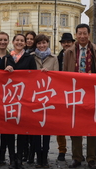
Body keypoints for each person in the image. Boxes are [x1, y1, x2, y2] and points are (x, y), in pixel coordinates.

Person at [63, 24, 96, 169]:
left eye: (84, 33)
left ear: (89, 34)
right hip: (74, 92)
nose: (82, 36)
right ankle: (76, 157)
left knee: (91, 126)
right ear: (76, 35)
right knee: (76, 126)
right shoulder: (69, 52)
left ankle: (91, 158)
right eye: (79, 33)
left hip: (92, 93)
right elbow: (64, 73)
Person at [10, 34, 37, 169]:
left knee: (21, 130)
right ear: (13, 42)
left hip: (24, 98)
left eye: (22, 41)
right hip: (9, 99)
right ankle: (11, 158)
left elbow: (34, 77)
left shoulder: (29, 58)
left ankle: (20, 158)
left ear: (25, 43)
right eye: (17, 40)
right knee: (9, 129)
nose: (19, 42)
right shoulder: (8, 58)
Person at [31, 34, 59, 168]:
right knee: (36, 130)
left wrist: (50, 73)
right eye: (39, 43)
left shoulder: (54, 59)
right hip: (34, 98)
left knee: (47, 130)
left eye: (44, 43)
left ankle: (45, 156)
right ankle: (38, 156)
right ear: (36, 45)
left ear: (48, 43)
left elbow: (58, 77)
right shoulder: (31, 57)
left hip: (48, 98)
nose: (42, 46)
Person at [0, 32, 16, 166]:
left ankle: (5, 155)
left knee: (8, 128)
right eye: (0, 39)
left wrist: (12, 69)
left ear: (8, 42)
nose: (2, 42)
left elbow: (17, 77)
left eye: (5, 40)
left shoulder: (10, 57)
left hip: (8, 98)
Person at [56, 33, 75, 161]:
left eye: (69, 41)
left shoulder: (77, 56)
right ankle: (62, 150)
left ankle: (76, 152)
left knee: (74, 123)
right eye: (64, 42)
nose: (66, 44)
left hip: (74, 92)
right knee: (60, 125)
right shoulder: (57, 58)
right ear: (62, 44)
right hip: (60, 93)